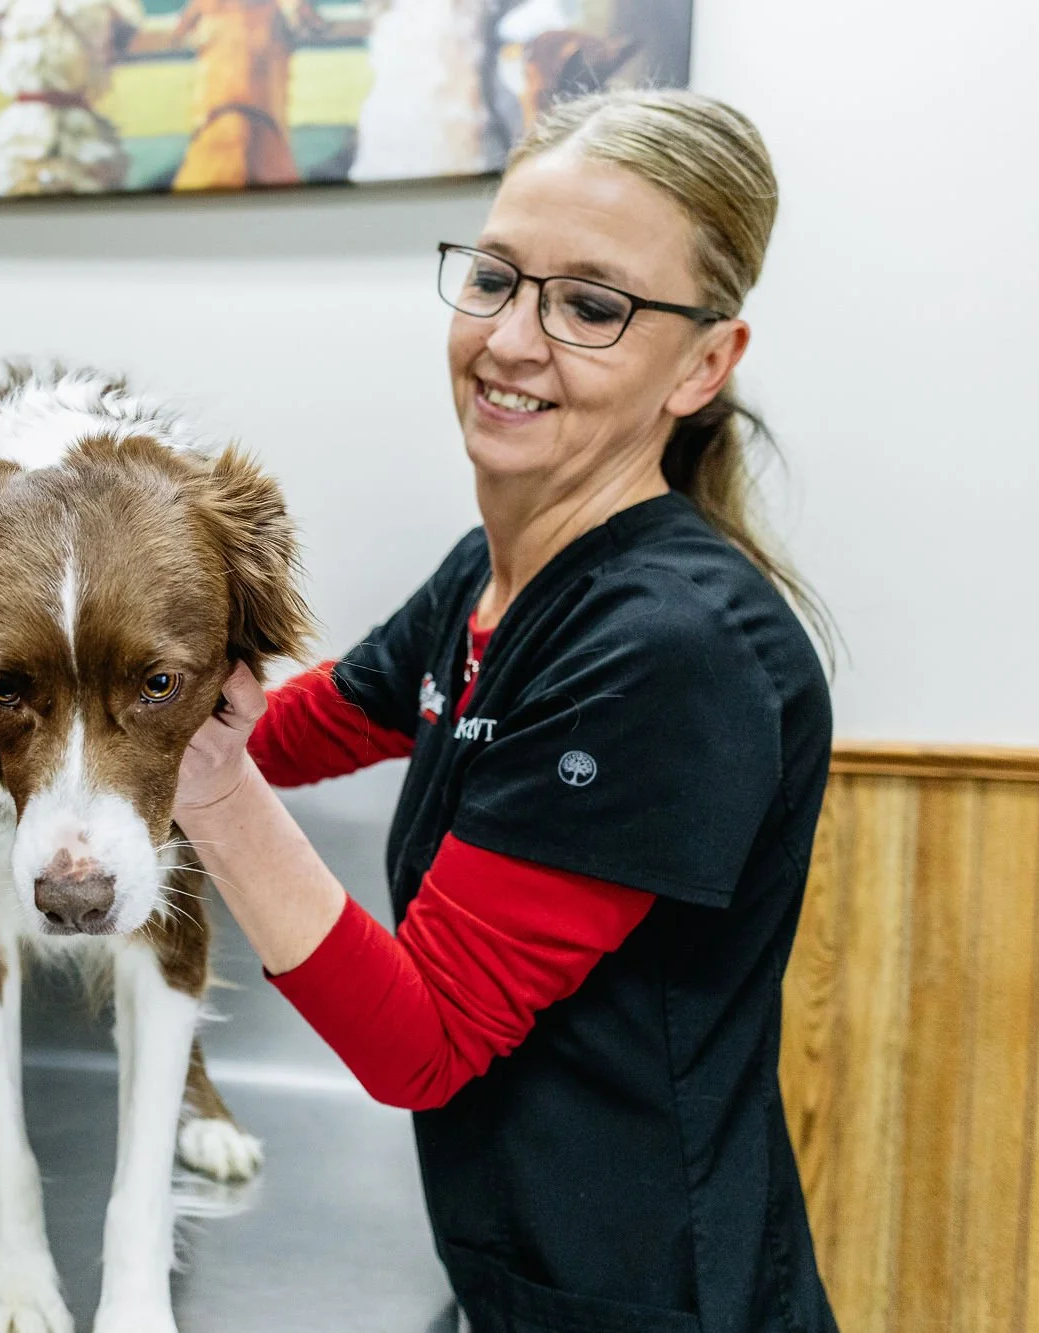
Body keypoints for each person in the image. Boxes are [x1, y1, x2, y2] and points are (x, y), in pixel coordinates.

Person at [174, 90, 839, 1332]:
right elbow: (297, 725)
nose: (511, 340)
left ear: (702, 362)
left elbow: (418, 1039)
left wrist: (202, 788)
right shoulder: (495, 575)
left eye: (589, 306)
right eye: (493, 278)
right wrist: (73, 680)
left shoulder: (669, 649)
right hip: (515, 1271)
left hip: (641, 1297)